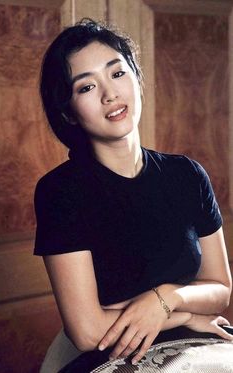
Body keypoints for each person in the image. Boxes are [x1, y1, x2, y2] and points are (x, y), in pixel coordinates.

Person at [34, 18, 233, 371]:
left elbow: (220, 288)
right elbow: (86, 330)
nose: (110, 94)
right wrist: (181, 314)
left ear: (137, 78)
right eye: (86, 88)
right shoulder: (59, 192)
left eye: (117, 73)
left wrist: (168, 298)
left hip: (197, 342)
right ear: (68, 113)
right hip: (109, 355)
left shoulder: (187, 174)